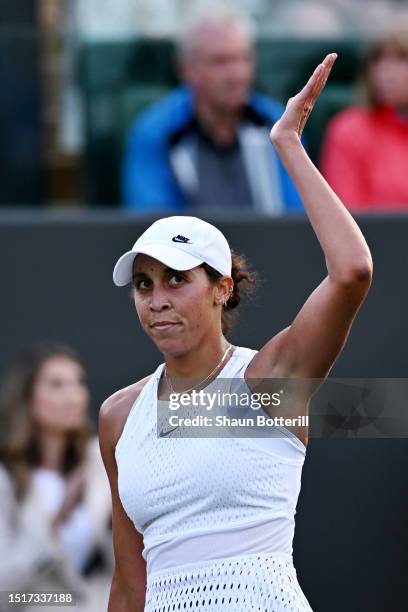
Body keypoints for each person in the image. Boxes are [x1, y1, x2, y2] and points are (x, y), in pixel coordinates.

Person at [100, 53, 373, 611]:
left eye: (177, 280)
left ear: (222, 287)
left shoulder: (269, 381)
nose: (157, 301)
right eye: (144, 285)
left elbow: (352, 271)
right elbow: (130, 586)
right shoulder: (118, 417)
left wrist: (288, 144)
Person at [121, 8, 304, 215]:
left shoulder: (279, 125)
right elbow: (153, 224)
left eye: (243, 59)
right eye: (220, 61)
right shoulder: (155, 133)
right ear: (187, 70)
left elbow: (298, 218)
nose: (236, 74)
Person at [0, 343, 113, 612]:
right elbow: (5, 592)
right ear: (28, 397)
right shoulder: (7, 477)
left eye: (78, 383)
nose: (73, 395)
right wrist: (57, 521)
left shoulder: (99, 462)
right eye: (57, 385)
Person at [320, 23, 408, 211]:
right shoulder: (348, 130)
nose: (385, 72)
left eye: (401, 59)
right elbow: (345, 215)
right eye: (378, 60)